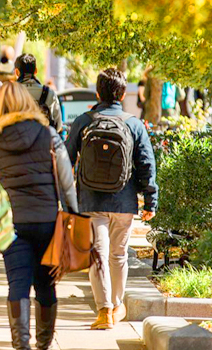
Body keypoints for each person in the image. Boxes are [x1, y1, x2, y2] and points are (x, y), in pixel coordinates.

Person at [0, 81, 78, 350]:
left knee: (17, 283)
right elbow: (66, 180)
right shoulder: (48, 134)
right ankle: (44, 344)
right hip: (46, 220)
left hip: (12, 223)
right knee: (45, 284)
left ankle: (21, 345)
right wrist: (72, 214)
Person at [65, 68, 158, 331]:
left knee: (98, 255)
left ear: (98, 93)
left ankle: (104, 310)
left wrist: (66, 199)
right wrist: (150, 201)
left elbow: (65, 160)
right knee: (118, 256)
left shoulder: (84, 120)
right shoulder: (134, 123)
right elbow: (146, 164)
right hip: (124, 201)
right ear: (121, 93)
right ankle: (116, 306)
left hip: (91, 200)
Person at [15, 54, 63, 133]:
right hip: (43, 141)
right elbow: (58, 126)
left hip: (17, 142)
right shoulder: (49, 93)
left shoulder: (10, 94)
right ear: (35, 71)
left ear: (16, 72)